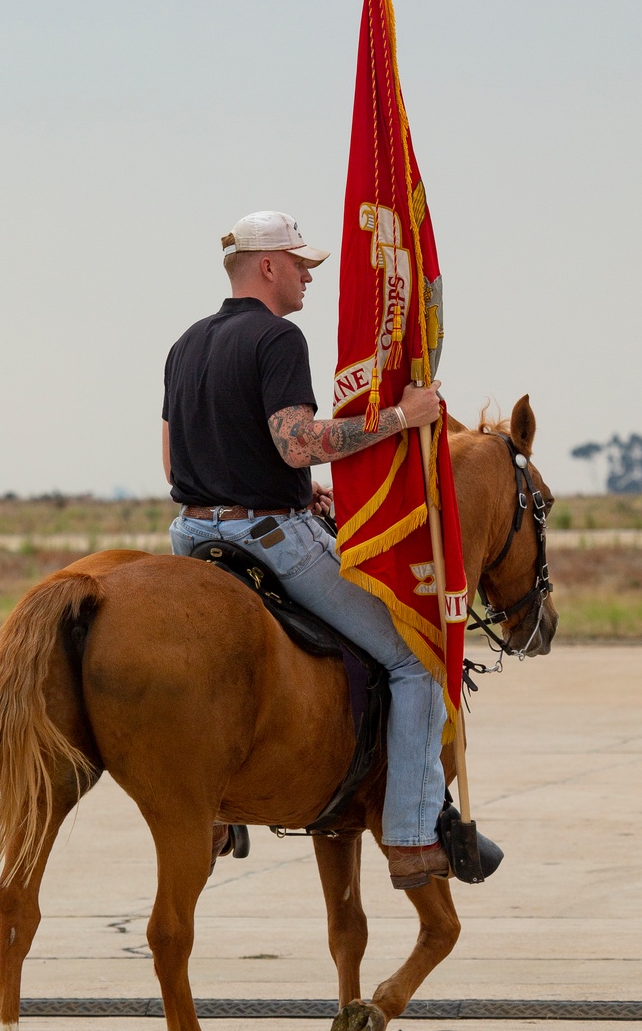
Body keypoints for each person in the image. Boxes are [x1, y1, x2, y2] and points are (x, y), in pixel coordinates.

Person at [162, 211, 451, 890]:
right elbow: (297, 441)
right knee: (416, 660)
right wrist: (402, 419)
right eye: (300, 263)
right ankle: (410, 836)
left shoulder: (184, 343)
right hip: (264, 537)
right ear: (267, 267)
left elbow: (174, 457)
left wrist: (299, 488)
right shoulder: (279, 337)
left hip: (190, 533)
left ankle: (211, 812)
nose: (310, 275)